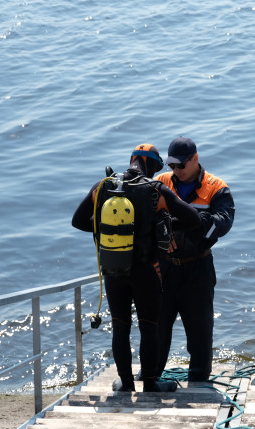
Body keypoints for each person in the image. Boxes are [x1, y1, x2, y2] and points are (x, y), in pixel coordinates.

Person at [72, 144, 201, 392]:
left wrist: (109, 229)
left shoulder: (103, 187)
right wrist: (160, 226)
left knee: (120, 326)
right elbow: (192, 220)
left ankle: (126, 385)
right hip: (146, 271)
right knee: (148, 327)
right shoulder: (156, 190)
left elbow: (78, 221)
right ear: (152, 166)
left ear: (132, 160)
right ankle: (150, 384)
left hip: (114, 270)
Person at [154, 137, 235, 382]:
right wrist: (164, 233)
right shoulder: (161, 182)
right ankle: (150, 374)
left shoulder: (217, 188)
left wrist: (178, 226)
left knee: (200, 331)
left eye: (180, 165)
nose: (175, 171)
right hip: (165, 267)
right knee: (156, 326)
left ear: (195, 159)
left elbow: (221, 224)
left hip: (197, 267)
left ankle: (199, 379)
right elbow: (145, 216)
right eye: (171, 166)